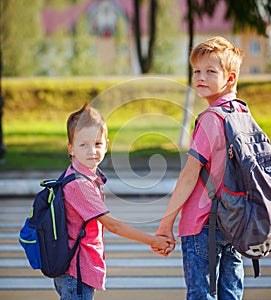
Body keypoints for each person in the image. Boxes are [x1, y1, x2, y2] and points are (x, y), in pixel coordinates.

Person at [153, 36, 245, 299]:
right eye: (197, 71)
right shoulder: (242, 113)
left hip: (201, 224)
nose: (200, 77)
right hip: (234, 220)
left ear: (230, 78)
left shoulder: (209, 119)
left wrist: (166, 223)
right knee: (231, 293)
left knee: (200, 294)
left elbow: (189, 176)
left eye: (210, 71)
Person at [54, 103, 175, 300]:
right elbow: (114, 226)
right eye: (83, 145)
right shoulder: (79, 185)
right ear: (71, 149)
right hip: (76, 271)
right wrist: (153, 240)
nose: (92, 151)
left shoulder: (84, 176)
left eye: (97, 144)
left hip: (77, 267)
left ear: (106, 145)